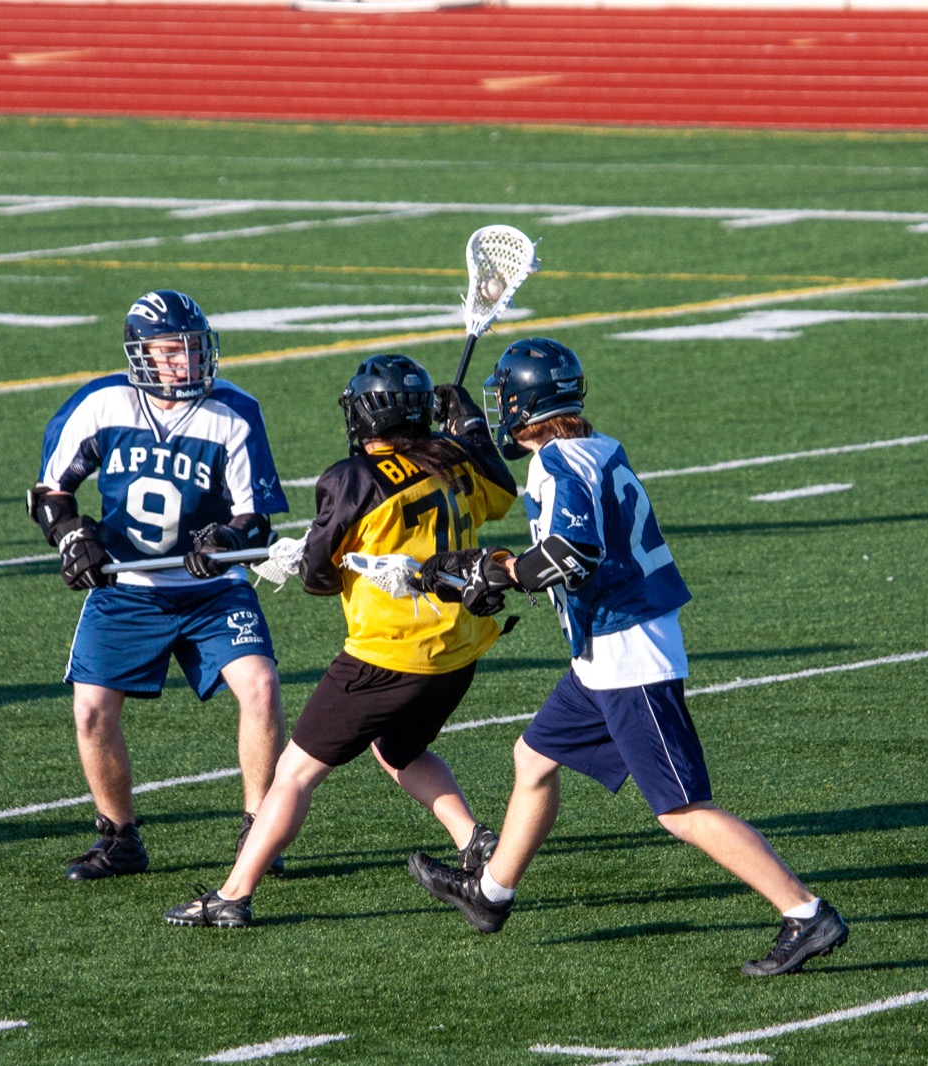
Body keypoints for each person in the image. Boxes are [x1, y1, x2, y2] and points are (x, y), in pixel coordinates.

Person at [407, 337, 847, 977]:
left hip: (627, 654)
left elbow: (571, 554)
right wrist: (497, 563)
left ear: (524, 405)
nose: (499, 411)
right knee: (532, 757)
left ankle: (806, 914)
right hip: (604, 651)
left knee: (681, 809)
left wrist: (495, 575)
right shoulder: (596, 447)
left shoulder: (556, 464)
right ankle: (491, 893)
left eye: (503, 402)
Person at [162, 354, 520, 928]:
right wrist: (471, 430)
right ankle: (474, 840)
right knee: (397, 749)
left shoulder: (350, 477)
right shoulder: (452, 460)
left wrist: (297, 559)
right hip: (457, 652)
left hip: (386, 657)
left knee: (295, 773)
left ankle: (232, 894)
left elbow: (320, 578)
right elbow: (503, 495)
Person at [30, 289, 288, 881]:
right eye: (172, 351)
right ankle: (119, 837)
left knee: (261, 685)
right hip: (127, 586)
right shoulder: (101, 404)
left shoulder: (234, 411)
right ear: (141, 352)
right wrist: (71, 536)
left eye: (193, 350)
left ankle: (260, 830)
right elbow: (50, 492)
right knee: (91, 710)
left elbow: (257, 517)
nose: (187, 363)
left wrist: (224, 538)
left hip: (211, 589)